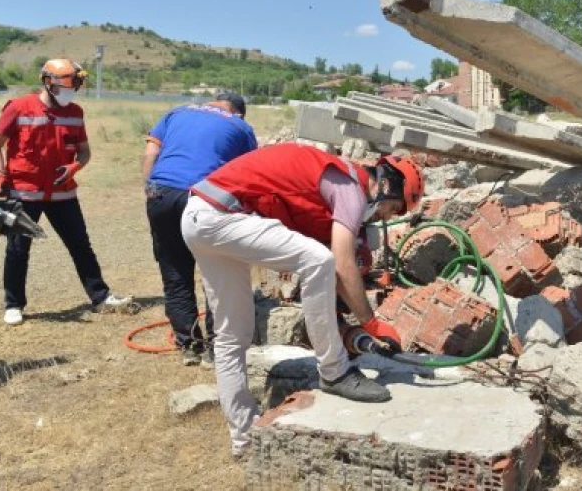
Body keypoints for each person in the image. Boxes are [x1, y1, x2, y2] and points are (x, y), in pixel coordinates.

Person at [180, 143, 424, 458]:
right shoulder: (350, 187)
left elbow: (335, 278)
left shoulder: (336, 187)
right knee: (319, 260)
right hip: (221, 216)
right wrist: (372, 324)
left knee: (232, 336)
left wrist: (347, 322)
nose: (383, 216)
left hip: (200, 216)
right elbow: (341, 264)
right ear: (388, 185)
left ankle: (245, 440)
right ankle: (335, 372)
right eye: (392, 208)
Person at [0, 58, 133, 326]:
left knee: (80, 246)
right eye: (67, 85)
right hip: (24, 193)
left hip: (63, 194)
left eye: (75, 86)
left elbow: (85, 151)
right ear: (48, 82)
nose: (72, 91)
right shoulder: (19, 107)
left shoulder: (75, 112)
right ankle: (13, 304)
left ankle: (100, 297)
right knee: (18, 249)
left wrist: (76, 166)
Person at [143, 92, 258, 366]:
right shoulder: (241, 127)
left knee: (174, 271)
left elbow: (151, 153)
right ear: (238, 112)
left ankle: (188, 345)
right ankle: (215, 348)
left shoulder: (176, 112)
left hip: (162, 193)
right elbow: (250, 172)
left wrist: (149, 189)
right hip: (205, 198)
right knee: (216, 271)